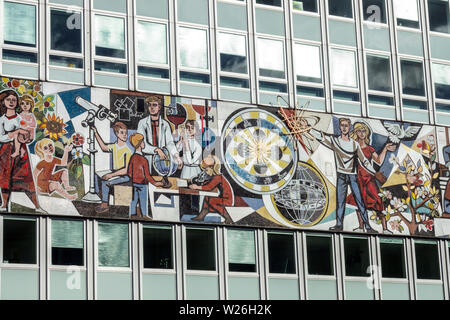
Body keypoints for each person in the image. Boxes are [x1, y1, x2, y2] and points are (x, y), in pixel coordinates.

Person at [303, 117, 377, 233]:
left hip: (352, 176)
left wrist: (374, 173)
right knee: (340, 201)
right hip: (341, 175)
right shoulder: (335, 141)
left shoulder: (354, 144)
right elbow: (322, 137)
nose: (344, 128)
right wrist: (307, 128)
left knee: (360, 201)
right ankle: (339, 225)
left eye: (346, 125)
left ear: (349, 127)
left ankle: (368, 226)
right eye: (342, 125)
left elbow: (364, 161)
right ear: (339, 127)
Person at [349, 122, 397, 234]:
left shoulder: (370, 148)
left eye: (363, 131)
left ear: (367, 133)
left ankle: (385, 229)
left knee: (378, 201)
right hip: (357, 178)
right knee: (358, 202)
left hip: (369, 178)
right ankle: (361, 227)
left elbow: (378, 161)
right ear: (356, 133)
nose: (361, 133)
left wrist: (385, 149)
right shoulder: (352, 147)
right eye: (359, 131)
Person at [0, 90, 44, 213]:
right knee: (5, 177)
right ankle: (4, 205)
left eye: (14, 100)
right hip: (6, 151)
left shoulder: (21, 118)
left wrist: (26, 137)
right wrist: (14, 133)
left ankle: (37, 207)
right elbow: (1, 137)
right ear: (3, 102)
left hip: (21, 150)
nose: (11, 102)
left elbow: (29, 134)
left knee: (26, 177)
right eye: (8, 100)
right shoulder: (2, 119)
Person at [136, 95, 183, 174]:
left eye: (154, 105)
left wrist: (176, 156)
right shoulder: (142, 123)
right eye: (149, 105)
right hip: (147, 159)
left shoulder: (165, 124)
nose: (152, 108)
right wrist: (157, 150)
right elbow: (141, 144)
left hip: (162, 161)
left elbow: (169, 143)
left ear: (159, 107)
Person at [93, 121, 132, 213]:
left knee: (105, 181)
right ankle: (100, 198)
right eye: (122, 133)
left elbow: (126, 170)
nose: (125, 135)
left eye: (126, 133)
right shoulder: (114, 146)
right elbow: (103, 147)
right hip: (115, 172)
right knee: (96, 175)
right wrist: (95, 132)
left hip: (124, 176)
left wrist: (111, 175)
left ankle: (105, 204)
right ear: (116, 134)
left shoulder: (127, 151)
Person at [127, 133, 164, 219]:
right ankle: (144, 215)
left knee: (134, 200)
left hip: (134, 183)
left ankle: (132, 215)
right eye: (143, 141)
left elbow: (129, 172)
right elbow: (147, 175)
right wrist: (155, 183)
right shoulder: (144, 160)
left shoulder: (133, 157)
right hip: (143, 184)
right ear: (140, 144)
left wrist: (134, 178)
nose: (144, 143)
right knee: (143, 200)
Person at [189, 155, 234, 224]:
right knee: (207, 198)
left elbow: (209, 187)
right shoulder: (215, 176)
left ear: (212, 168)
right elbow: (208, 184)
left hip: (227, 200)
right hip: (223, 198)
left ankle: (228, 218)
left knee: (211, 201)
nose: (205, 172)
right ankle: (201, 216)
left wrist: (196, 187)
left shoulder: (218, 177)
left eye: (206, 169)